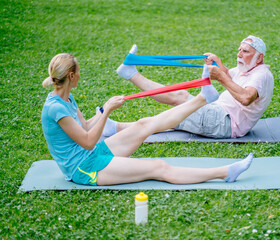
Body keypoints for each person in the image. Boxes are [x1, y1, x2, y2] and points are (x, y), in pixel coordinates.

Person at [41, 53, 253, 186]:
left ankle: (202, 98)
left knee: (145, 124)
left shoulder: (67, 98)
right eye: (78, 72)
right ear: (70, 76)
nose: (80, 75)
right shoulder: (55, 109)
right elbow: (87, 140)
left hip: (91, 154)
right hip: (83, 167)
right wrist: (107, 112)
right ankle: (225, 173)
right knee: (158, 168)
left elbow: (86, 126)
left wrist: (103, 109)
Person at [116, 35, 274, 139]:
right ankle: (116, 128)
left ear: (259, 57)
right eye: (239, 50)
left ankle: (130, 73)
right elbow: (229, 76)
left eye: (245, 51)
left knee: (180, 98)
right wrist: (218, 63)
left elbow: (246, 97)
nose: (239, 54)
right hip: (217, 115)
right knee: (167, 119)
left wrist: (219, 76)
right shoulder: (246, 69)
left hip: (224, 123)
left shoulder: (261, 76)